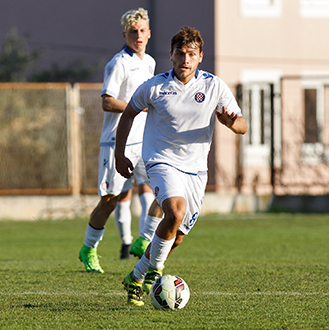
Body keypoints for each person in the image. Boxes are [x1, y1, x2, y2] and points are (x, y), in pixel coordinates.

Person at [115, 26, 247, 306]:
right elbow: (128, 114)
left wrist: (230, 122)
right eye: (180, 53)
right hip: (161, 160)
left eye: (191, 54)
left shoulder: (214, 86)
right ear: (171, 56)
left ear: (200, 57)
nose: (185, 59)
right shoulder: (155, 86)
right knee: (174, 211)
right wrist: (119, 154)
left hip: (196, 170)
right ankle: (154, 272)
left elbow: (242, 125)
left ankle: (135, 278)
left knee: (175, 237)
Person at [78, 7, 156, 273]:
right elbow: (107, 102)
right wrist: (136, 106)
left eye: (142, 31)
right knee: (110, 200)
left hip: (145, 142)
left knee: (163, 190)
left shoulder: (150, 63)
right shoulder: (118, 63)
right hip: (116, 143)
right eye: (133, 32)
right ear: (125, 34)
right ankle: (89, 247)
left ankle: (143, 240)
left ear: (149, 33)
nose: (138, 35)